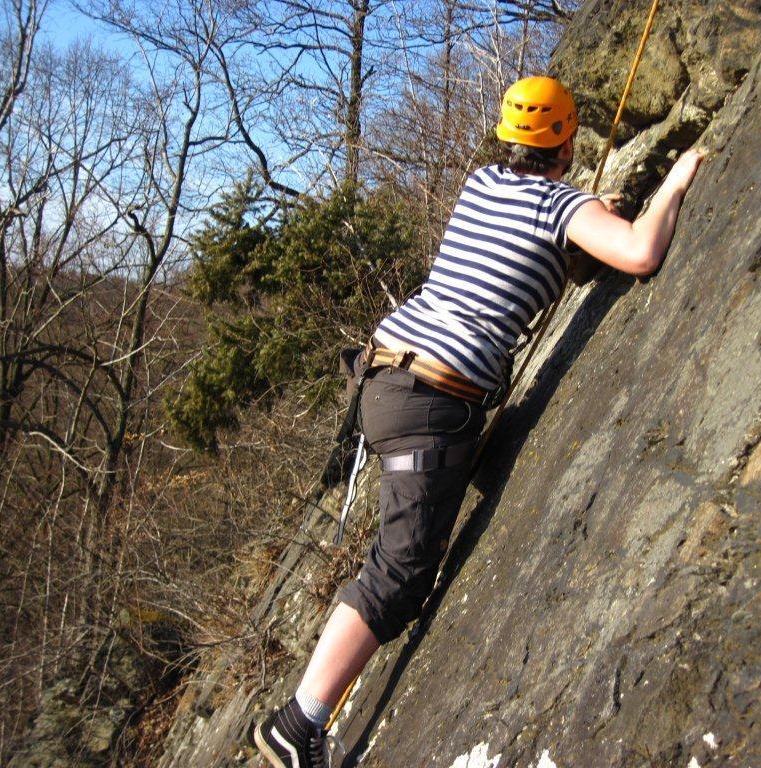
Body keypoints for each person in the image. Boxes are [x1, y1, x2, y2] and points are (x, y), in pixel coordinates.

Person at [253, 75, 704, 768]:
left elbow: (515, 254)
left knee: (401, 557)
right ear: (568, 139)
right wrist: (672, 184)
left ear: (507, 138)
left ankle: (303, 717)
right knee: (400, 571)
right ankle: (298, 723)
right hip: (428, 401)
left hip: (392, 378)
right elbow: (640, 253)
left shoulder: (483, 187)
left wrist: (587, 218)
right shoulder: (562, 204)